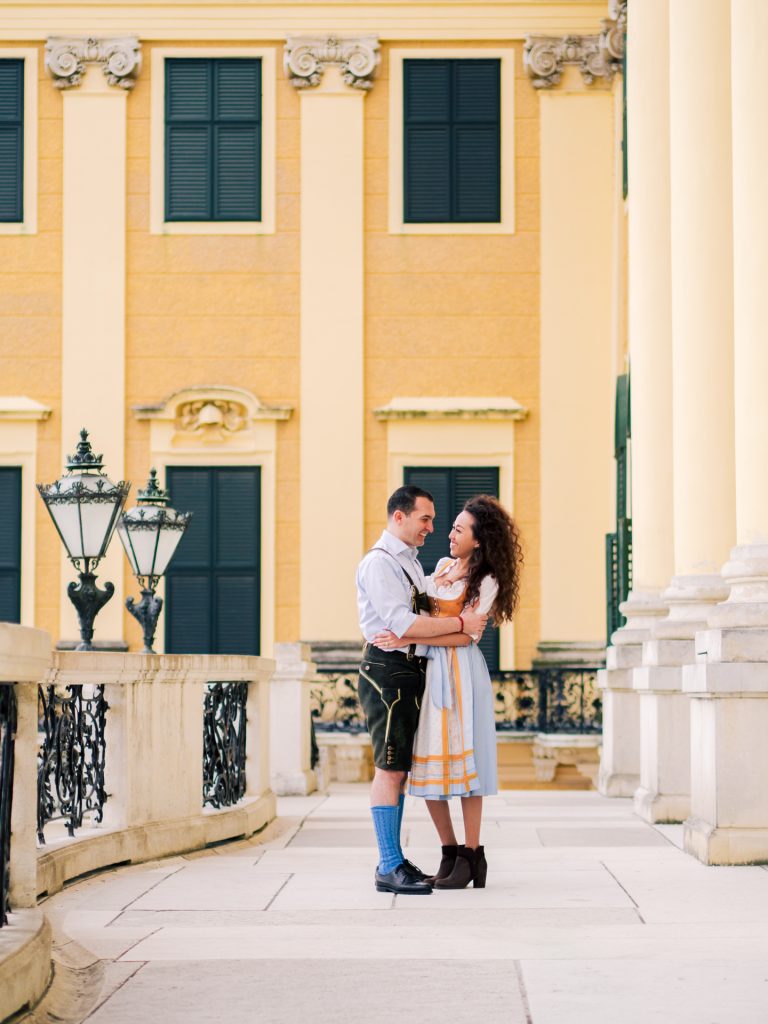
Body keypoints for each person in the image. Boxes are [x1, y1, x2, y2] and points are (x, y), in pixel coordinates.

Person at [372, 494, 523, 890]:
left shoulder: (486, 581)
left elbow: (468, 637)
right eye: (449, 525)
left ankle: (473, 855)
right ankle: (449, 851)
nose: (448, 534)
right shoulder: (438, 567)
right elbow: (426, 620)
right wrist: (419, 631)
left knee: (468, 760)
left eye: (459, 528)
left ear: (479, 539)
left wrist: (415, 636)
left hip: (461, 674)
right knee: (428, 763)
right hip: (429, 670)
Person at [356, 485, 488, 896]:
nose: (432, 527)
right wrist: (462, 625)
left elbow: (414, 624)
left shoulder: (411, 564)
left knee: (401, 768)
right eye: (425, 518)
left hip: (413, 669)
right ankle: (388, 865)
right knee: (389, 766)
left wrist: (446, 630)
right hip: (389, 672)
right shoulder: (380, 564)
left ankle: (394, 861)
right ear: (399, 516)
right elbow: (405, 625)